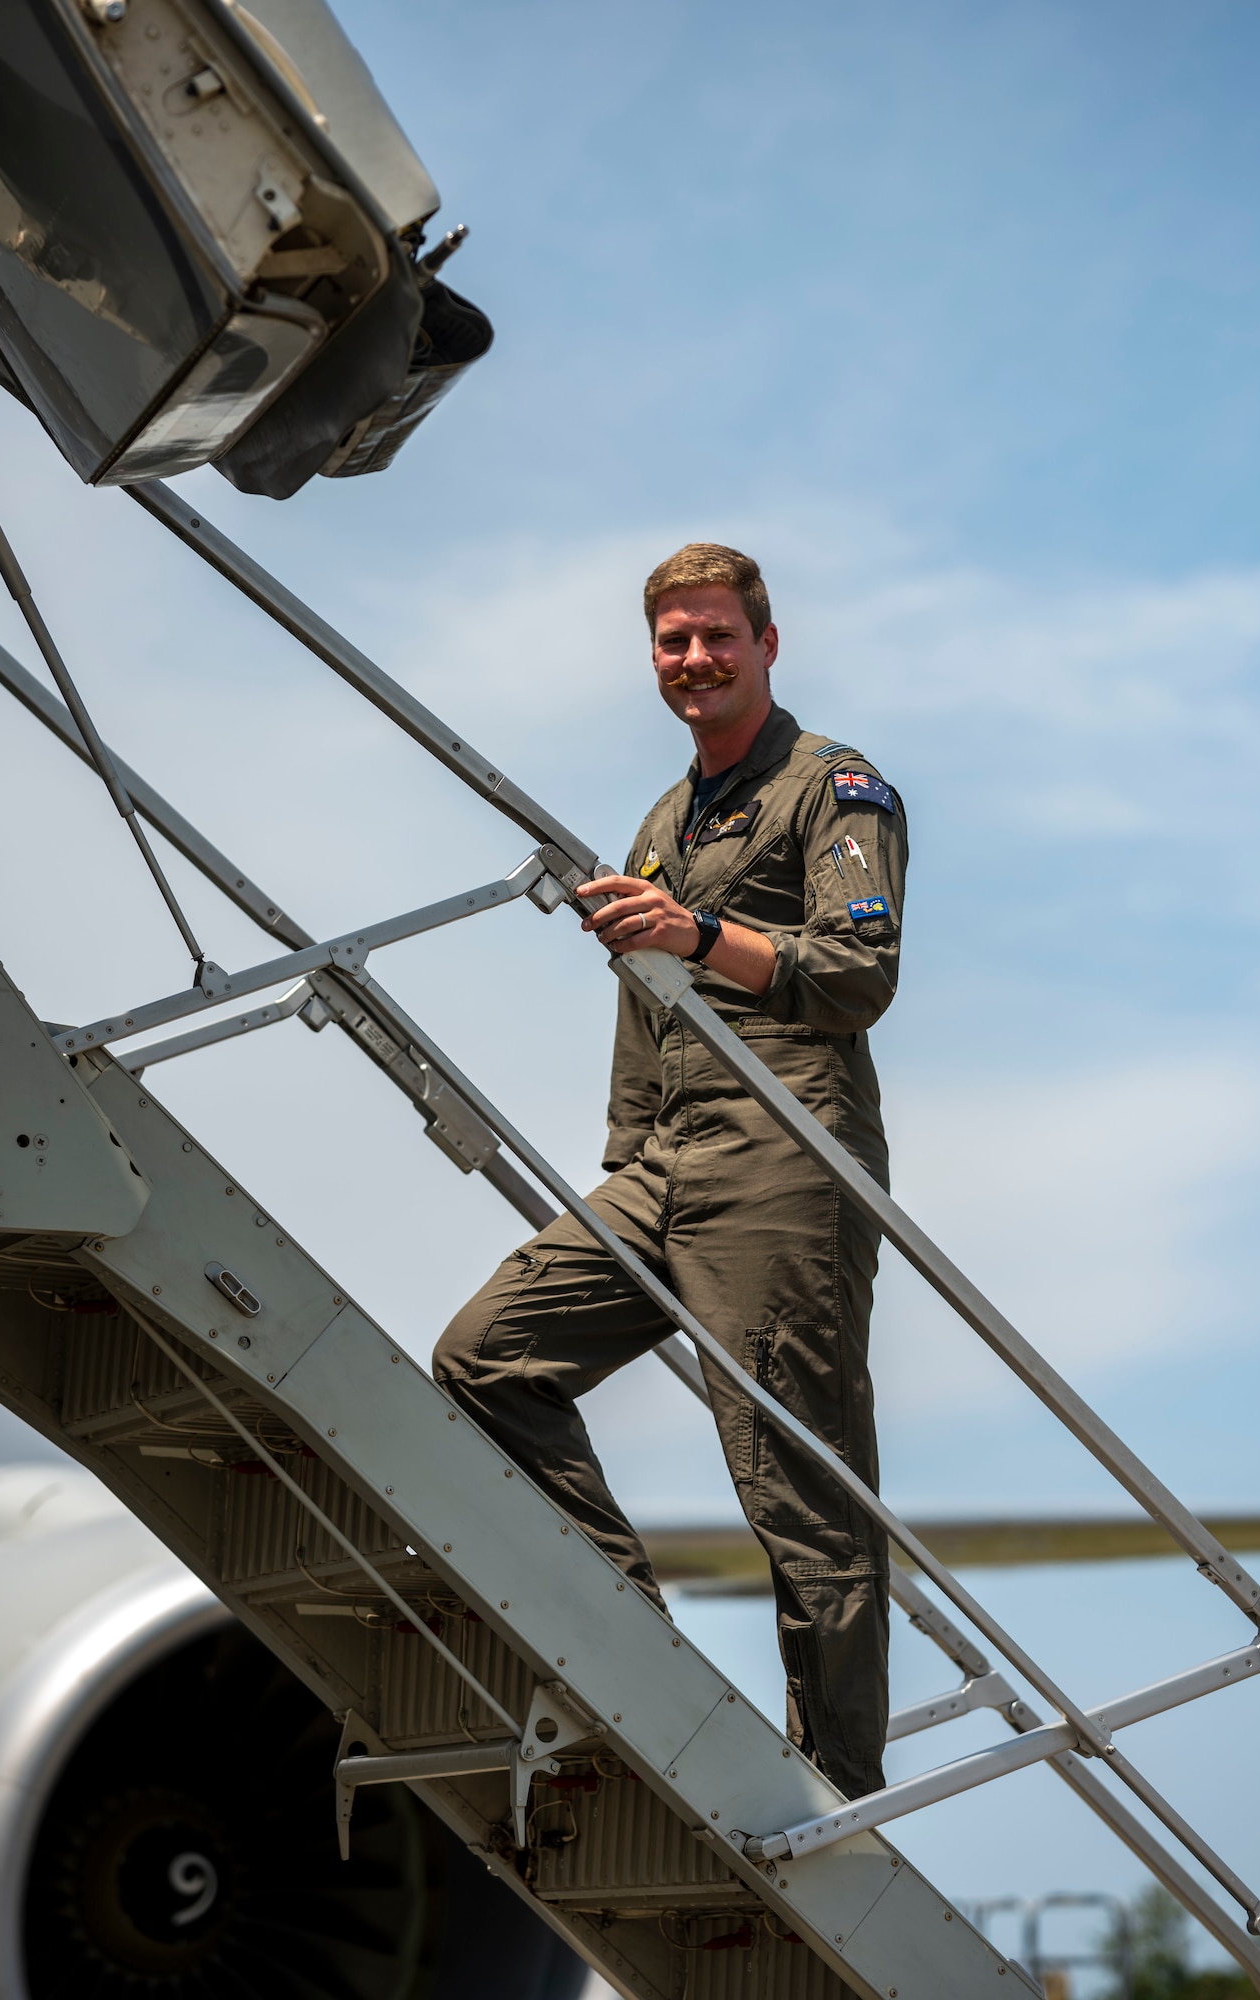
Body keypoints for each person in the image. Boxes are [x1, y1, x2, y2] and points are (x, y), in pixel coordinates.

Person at [433, 542, 907, 1800]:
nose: (692, 659)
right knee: (486, 1355)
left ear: (764, 643)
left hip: (781, 1154)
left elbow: (858, 976)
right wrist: (626, 1161)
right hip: (663, 1160)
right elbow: (645, 1012)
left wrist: (700, 932)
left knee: (797, 1493)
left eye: (714, 636)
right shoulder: (664, 819)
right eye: (670, 641)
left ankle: (836, 1800)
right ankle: (635, 1647)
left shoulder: (834, 787)